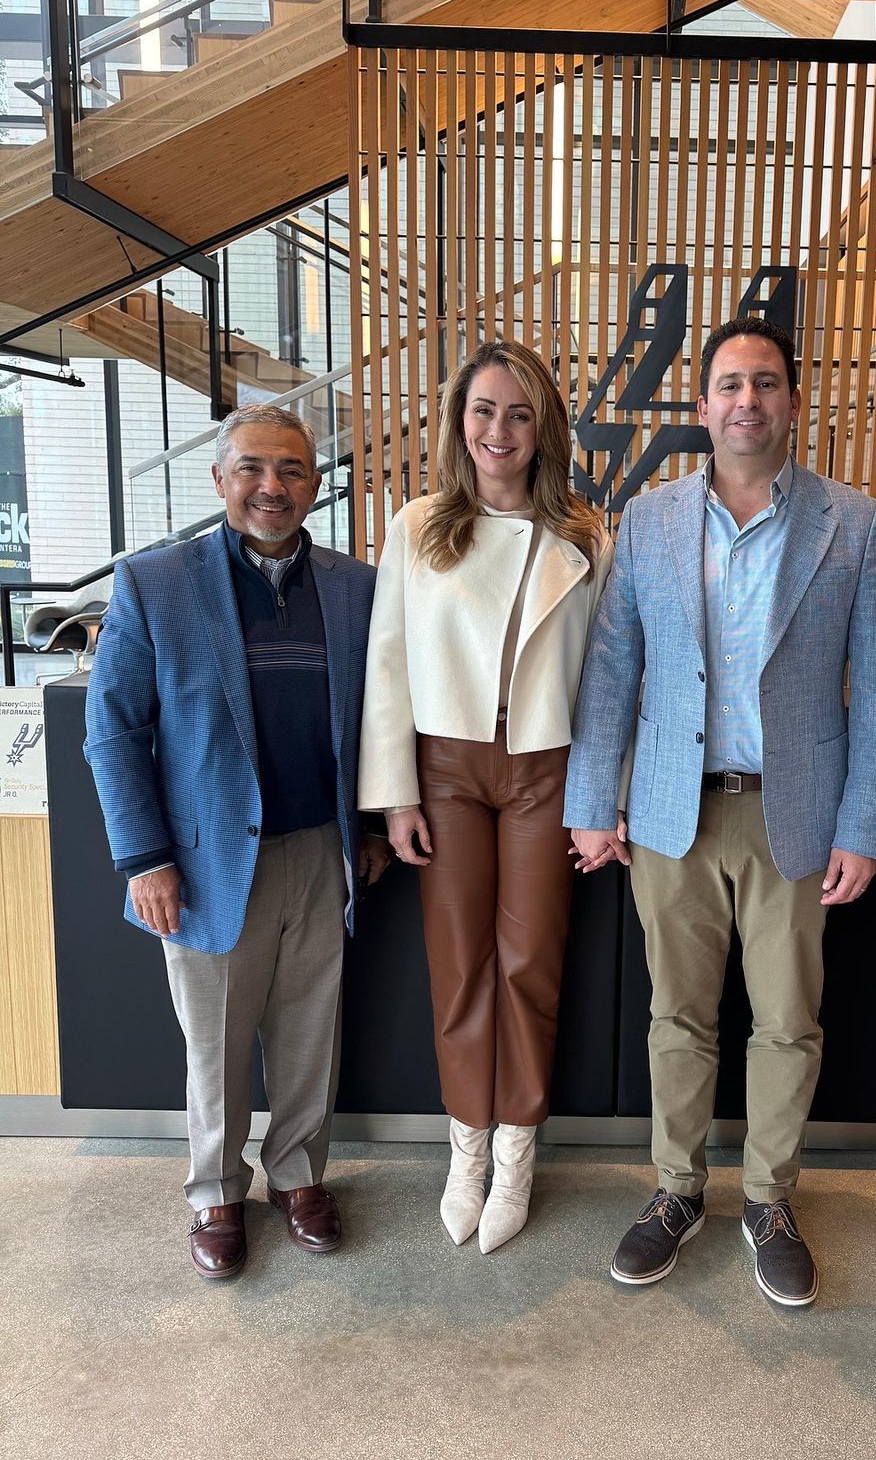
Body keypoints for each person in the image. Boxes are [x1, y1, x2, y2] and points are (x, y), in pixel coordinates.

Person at [566, 316, 876, 1307]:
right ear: (703, 402)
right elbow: (613, 667)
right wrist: (591, 800)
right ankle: (676, 1189)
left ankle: (768, 1199)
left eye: (764, 382)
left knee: (788, 1021)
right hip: (671, 811)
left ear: (792, 400)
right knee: (675, 1015)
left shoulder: (853, 522)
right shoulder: (650, 520)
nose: (746, 400)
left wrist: (863, 827)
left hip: (792, 815)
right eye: (728, 383)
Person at [85, 405, 391, 1281]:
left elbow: (379, 717)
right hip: (206, 860)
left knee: (309, 1033)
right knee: (215, 1042)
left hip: (320, 849)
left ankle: (298, 1178)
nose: (272, 486)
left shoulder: (355, 587)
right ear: (219, 478)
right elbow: (113, 731)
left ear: (316, 485)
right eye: (252, 467)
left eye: (292, 469)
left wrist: (372, 825)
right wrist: (144, 857)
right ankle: (216, 1193)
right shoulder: (155, 582)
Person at [359, 339, 612, 1254]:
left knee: (529, 963)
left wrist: (604, 797)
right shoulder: (419, 524)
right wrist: (394, 795)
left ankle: (516, 1153)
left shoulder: (586, 535)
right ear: (457, 421)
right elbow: (388, 663)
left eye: (518, 413)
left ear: (543, 427)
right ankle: (465, 1148)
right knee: (459, 964)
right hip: (446, 769)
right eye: (483, 410)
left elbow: (608, 679)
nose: (498, 430)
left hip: (546, 765)